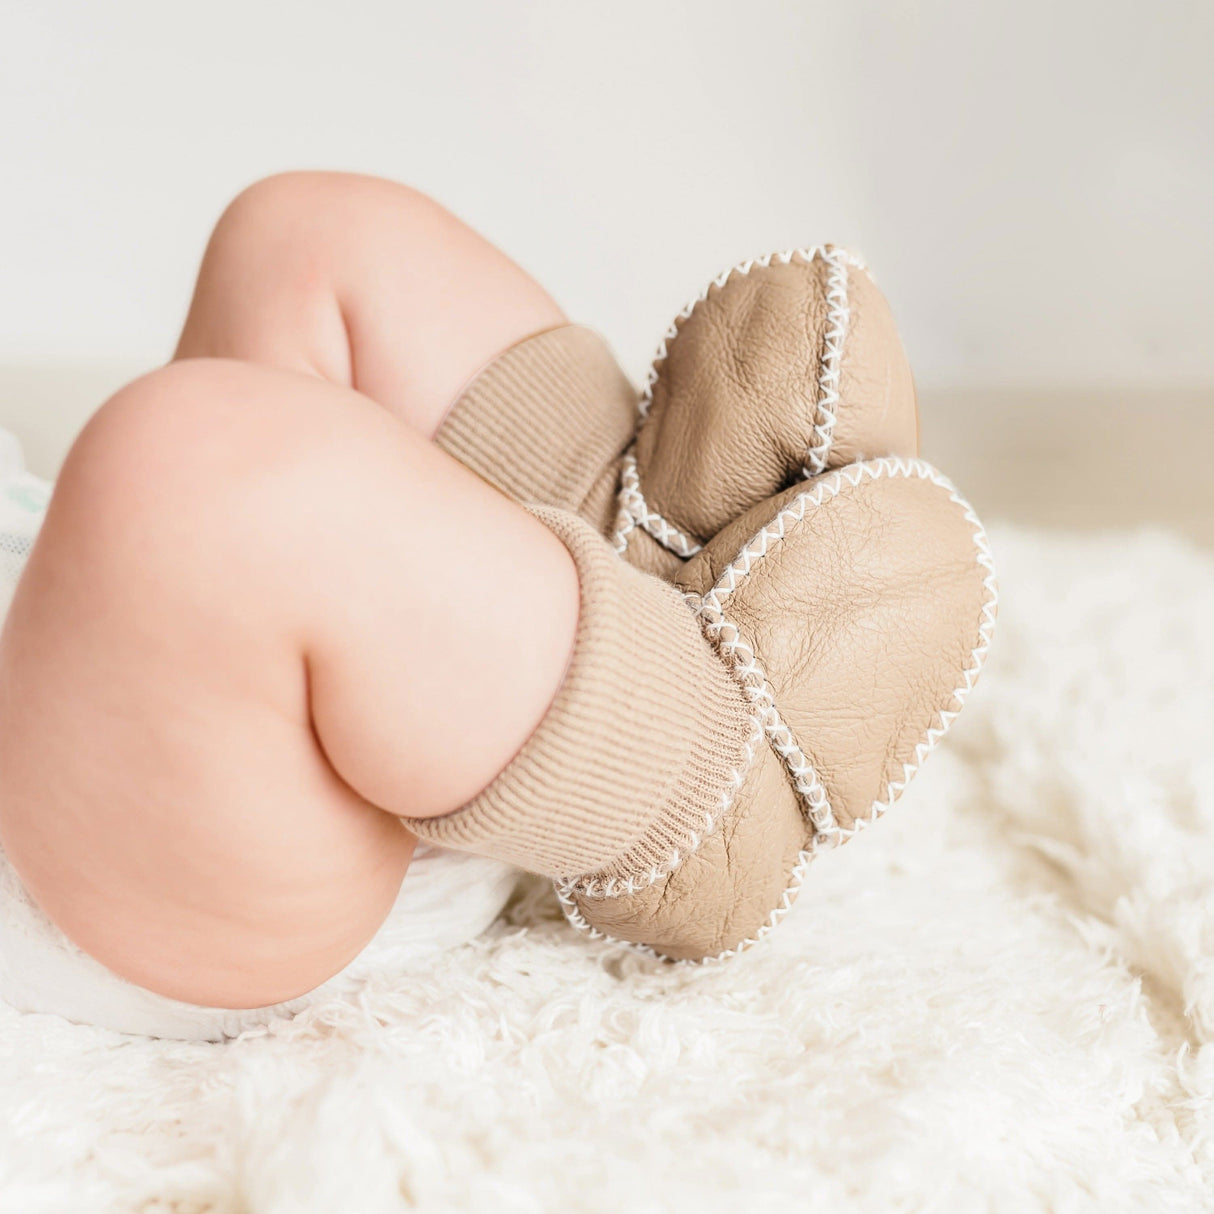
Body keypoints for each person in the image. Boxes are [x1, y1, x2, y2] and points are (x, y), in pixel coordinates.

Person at [0, 172, 995, 1020]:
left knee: (303, 238)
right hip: (99, 848)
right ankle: (691, 777)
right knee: (183, 472)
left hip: (99, 614)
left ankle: (644, 550)